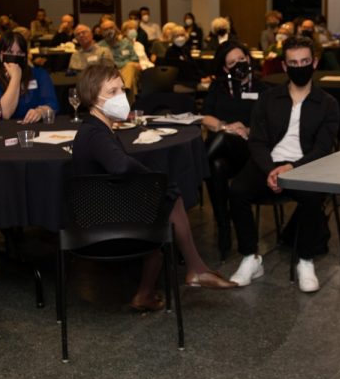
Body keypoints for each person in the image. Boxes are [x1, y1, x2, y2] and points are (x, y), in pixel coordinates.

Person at [70, 64, 236, 311]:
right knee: (167, 194)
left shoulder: (97, 127)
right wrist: (151, 178)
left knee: (166, 195)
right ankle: (194, 270)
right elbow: (121, 165)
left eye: (122, 90)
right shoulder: (96, 133)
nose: (121, 97)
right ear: (93, 97)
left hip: (100, 209)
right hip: (100, 220)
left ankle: (182, 276)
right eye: (113, 91)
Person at [228, 37, 340, 292]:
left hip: (304, 165)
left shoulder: (328, 104)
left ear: (314, 62)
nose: (299, 66)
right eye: (293, 62)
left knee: (313, 195)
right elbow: (256, 140)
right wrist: (270, 170)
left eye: (304, 61)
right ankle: (250, 258)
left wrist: (292, 168)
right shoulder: (269, 99)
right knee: (237, 191)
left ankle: (305, 259)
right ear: (284, 66)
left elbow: (323, 149)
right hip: (268, 163)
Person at [201, 43, 261, 255]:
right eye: (232, 63)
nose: (238, 65)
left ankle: (198, 164)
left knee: (212, 156)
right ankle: (224, 225)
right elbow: (205, 116)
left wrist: (246, 129)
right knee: (216, 165)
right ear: (226, 69)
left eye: (241, 59)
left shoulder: (263, 87)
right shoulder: (218, 87)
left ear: (248, 58)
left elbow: (271, 124)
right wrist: (225, 127)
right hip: (224, 153)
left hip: (250, 151)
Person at [0, 31, 57, 123]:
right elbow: (5, 113)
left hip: (32, 129)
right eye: (9, 52)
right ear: (0, 55)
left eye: (19, 53)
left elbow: (52, 104)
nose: (15, 56)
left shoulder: (39, 74)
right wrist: (15, 77)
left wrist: (41, 111)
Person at [98, 17, 143, 95]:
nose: (109, 31)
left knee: (130, 66)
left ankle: (123, 88)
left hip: (129, 70)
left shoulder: (126, 43)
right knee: (131, 79)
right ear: (101, 32)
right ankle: (125, 91)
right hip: (111, 73)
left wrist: (123, 66)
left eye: (111, 28)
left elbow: (135, 60)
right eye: (106, 29)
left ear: (116, 29)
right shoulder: (99, 47)